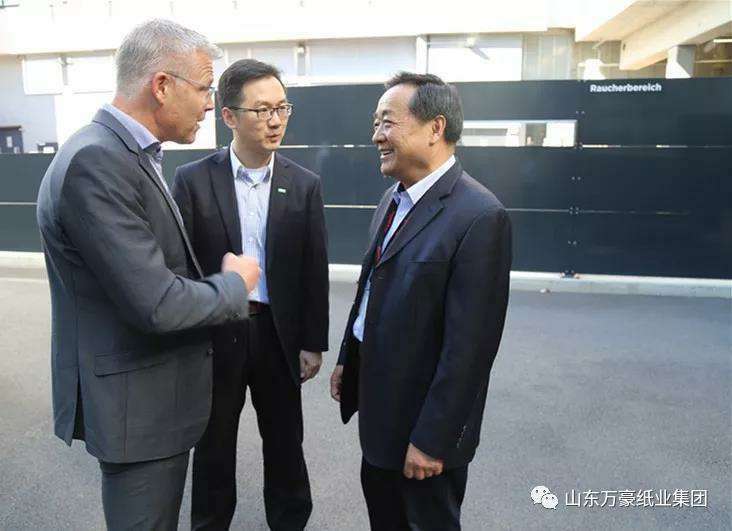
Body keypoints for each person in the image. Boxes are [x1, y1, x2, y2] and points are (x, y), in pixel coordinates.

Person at [35, 19, 261, 531]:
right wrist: (234, 283)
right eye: (203, 88)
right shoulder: (98, 160)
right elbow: (156, 303)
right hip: (138, 414)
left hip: (150, 408)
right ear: (161, 86)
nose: (210, 104)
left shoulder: (120, 153)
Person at [329, 72, 512, 530]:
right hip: (380, 415)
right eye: (376, 123)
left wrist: (433, 439)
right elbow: (373, 284)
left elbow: (470, 349)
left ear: (436, 128)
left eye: (387, 122)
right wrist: (349, 357)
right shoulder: (392, 200)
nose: (377, 135)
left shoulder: (480, 216)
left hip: (422, 431)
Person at [172, 59, 329, 531]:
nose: (275, 120)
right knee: (214, 443)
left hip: (278, 335)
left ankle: (290, 520)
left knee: (285, 441)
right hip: (218, 331)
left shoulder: (304, 184)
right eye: (261, 110)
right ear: (229, 116)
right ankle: (210, 523)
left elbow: (313, 269)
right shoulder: (192, 180)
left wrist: (312, 342)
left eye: (282, 108)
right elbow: (183, 266)